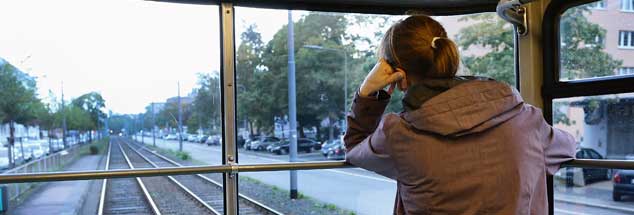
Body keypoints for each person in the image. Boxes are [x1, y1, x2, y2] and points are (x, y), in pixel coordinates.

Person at [344, 15, 576, 214]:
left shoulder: (397, 135)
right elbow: (568, 147)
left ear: (400, 77)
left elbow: (354, 148)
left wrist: (366, 91)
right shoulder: (526, 120)